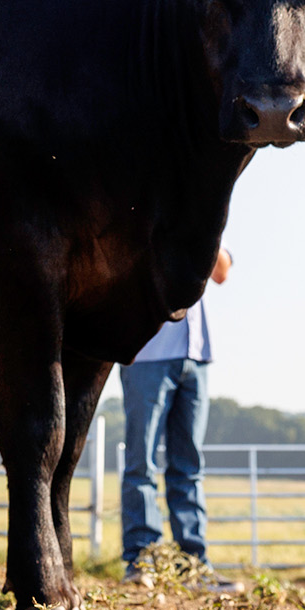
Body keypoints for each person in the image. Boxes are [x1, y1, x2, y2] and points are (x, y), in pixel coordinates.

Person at [119, 245, 234, 584]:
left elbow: (221, 273)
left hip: (196, 355)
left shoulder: (204, 213)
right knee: (141, 463)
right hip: (146, 352)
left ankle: (193, 565)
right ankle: (142, 561)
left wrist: (208, 223)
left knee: (189, 466)